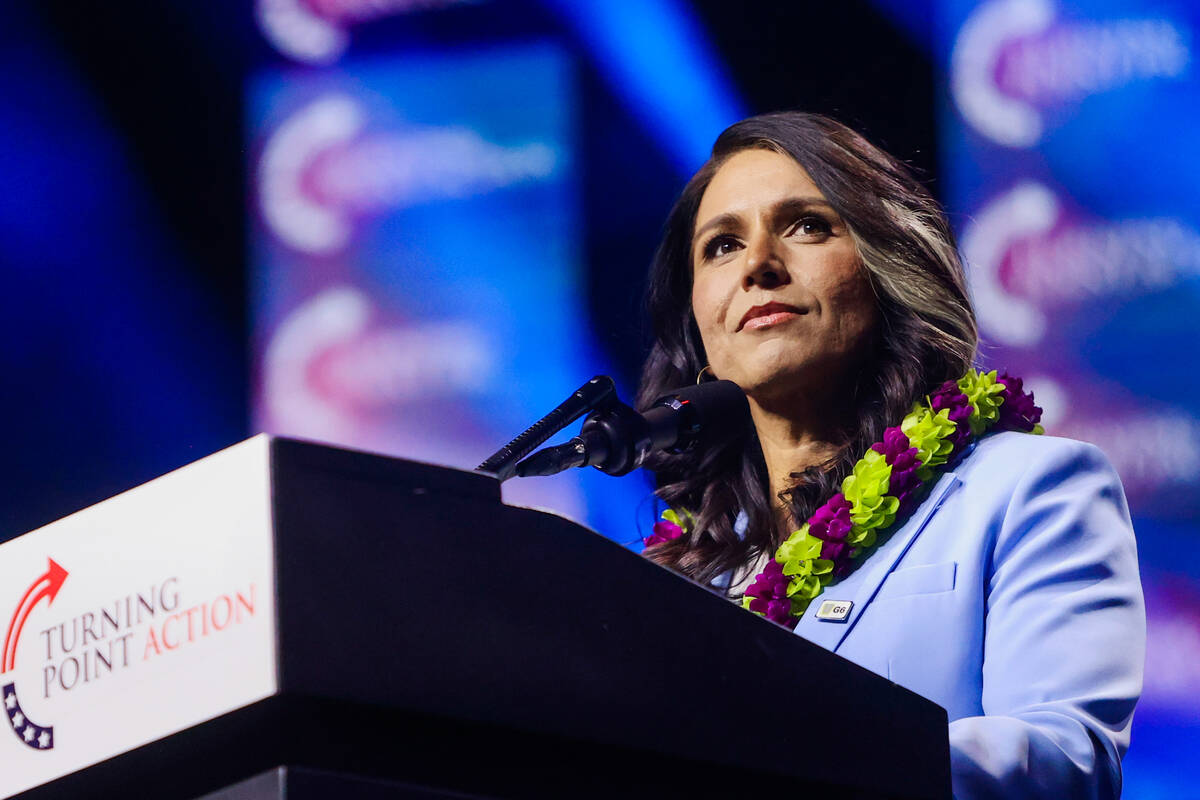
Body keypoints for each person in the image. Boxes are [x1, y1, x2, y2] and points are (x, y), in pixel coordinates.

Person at [636, 112, 1144, 799]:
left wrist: (785, 750)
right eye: (722, 245)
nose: (757, 264)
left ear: (885, 266)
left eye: (807, 225)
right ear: (698, 323)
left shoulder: (1030, 487)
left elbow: (1064, 763)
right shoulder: (692, 568)